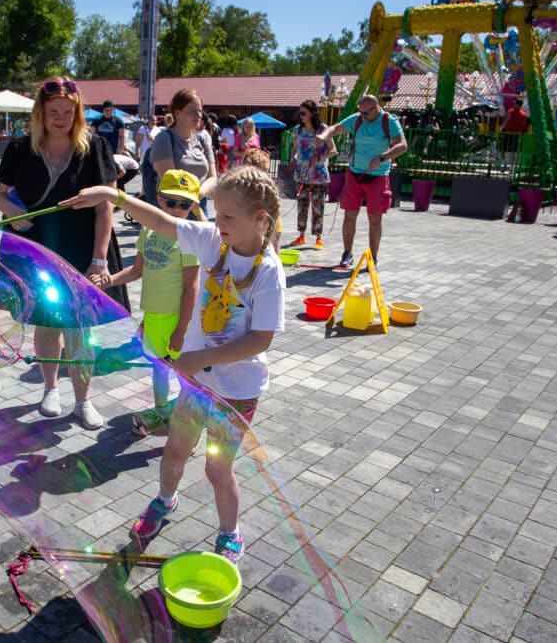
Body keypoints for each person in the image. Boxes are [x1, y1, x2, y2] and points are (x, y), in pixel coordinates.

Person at [61, 164, 286, 564]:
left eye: (228, 217)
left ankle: (230, 532)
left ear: (260, 219)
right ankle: (165, 500)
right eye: (216, 216)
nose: (219, 224)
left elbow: (260, 339)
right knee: (174, 453)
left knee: (218, 471)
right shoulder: (213, 242)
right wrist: (114, 197)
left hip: (236, 393)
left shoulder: (267, 271)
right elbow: (162, 221)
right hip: (198, 387)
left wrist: (201, 357)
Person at [0, 77, 128, 429]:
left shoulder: (94, 147)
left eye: (68, 112)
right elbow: (2, 194)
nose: (60, 119)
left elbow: (105, 207)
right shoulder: (20, 149)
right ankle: (50, 388)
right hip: (36, 247)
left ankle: (83, 400)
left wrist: (99, 259)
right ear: (40, 113)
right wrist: (11, 214)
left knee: (80, 327)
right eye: (53, 112)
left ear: (78, 113)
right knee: (46, 320)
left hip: (80, 246)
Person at [93, 169, 201, 422]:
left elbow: (192, 287)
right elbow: (138, 270)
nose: (177, 209)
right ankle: (161, 410)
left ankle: (190, 414)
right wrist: (109, 280)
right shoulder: (148, 231)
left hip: (177, 319)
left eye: (184, 204)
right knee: (158, 368)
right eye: (171, 202)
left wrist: (182, 329)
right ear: (159, 199)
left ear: (194, 206)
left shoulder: (190, 238)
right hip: (154, 316)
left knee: (185, 371)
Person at [315, 94, 407, 268]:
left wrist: (382, 158)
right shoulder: (357, 120)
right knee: (349, 215)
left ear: (376, 108)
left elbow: (402, 146)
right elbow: (335, 128)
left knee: (375, 219)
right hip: (354, 173)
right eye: (361, 112)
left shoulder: (389, 121)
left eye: (366, 113)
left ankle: (373, 258)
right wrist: (323, 136)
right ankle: (347, 253)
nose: (363, 116)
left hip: (378, 175)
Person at [152, 89, 217, 215]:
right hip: (174, 208)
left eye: (200, 111)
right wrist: (191, 199)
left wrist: (197, 196)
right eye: (192, 112)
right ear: (177, 113)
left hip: (198, 205)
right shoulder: (164, 138)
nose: (199, 115)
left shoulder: (203, 139)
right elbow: (170, 179)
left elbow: (213, 177)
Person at [290, 99, 336, 249]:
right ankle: (301, 235)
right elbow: (295, 149)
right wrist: (294, 157)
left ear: (312, 114)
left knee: (318, 206)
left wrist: (321, 158)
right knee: (302, 205)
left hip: (319, 175)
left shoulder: (323, 129)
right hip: (302, 174)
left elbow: (333, 150)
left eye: (304, 113)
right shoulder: (297, 130)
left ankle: (318, 237)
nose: (301, 115)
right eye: (300, 112)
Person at [501, 97, 529, 165]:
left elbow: (506, 120)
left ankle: (503, 162)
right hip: (516, 134)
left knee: (504, 148)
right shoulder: (523, 114)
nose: (514, 105)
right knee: (514, 150)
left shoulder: (510, 111)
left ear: (518, 105)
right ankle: (512, 165)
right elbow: (524, 124)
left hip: (508, 132)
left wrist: (502, 127)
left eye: (515, 104)